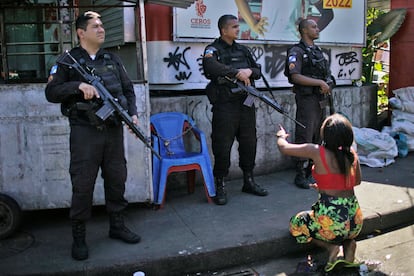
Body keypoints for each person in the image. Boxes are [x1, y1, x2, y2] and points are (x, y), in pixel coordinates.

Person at [45, 11, 141, 261]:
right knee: (83, 185)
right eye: (95, 26)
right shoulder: (67, 61)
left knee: (117, 179)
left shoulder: (112, 58)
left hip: (112, 131)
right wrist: (78, 86)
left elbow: (128, 90)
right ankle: (79, 237)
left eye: (102, 25)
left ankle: (117, 226)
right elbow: (52, 92)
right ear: (81, 32)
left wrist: (132, 115)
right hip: (85, 133)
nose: (101, 29)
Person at [276, 113, 363, 272]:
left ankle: (330, 247)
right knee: (344, 231)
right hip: (355, 221)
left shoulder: (317, 151)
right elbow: (356, 182)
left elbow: (284, 148)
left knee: (297, 223)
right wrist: (325, 186)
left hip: (332, 223)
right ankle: (349, 246)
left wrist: (281, 136)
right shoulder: (351, 154)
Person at [202, 14, 268, 205]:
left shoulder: (243, 50)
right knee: (222, 146)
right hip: (225, 107)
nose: (238, 30)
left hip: (246, 105)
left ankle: (249, 180)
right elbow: (210, 66)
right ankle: (220, 184)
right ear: (224, 30)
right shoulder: (212, 49)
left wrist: (248, 71)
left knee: (249, 144)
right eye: (234, 27)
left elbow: (257, 70)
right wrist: (235, 72)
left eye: (237, 27)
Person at [284, 18, 333, 189]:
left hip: (320, 101)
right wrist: (319, 83)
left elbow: (327, 75)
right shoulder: (296, 51)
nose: (317, 29)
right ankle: (300, 174)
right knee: (305, 135)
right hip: (307, 100)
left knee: (318, 136)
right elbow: (295, 76)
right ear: (304, 31)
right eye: (313, 27)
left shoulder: (317, 52)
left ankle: (313, 172)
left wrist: (327, 83)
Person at [235, 0, 333, 40]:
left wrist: (310, 33)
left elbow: (328, 14)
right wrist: (253, 24)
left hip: (295, 43)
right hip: (267, 41)